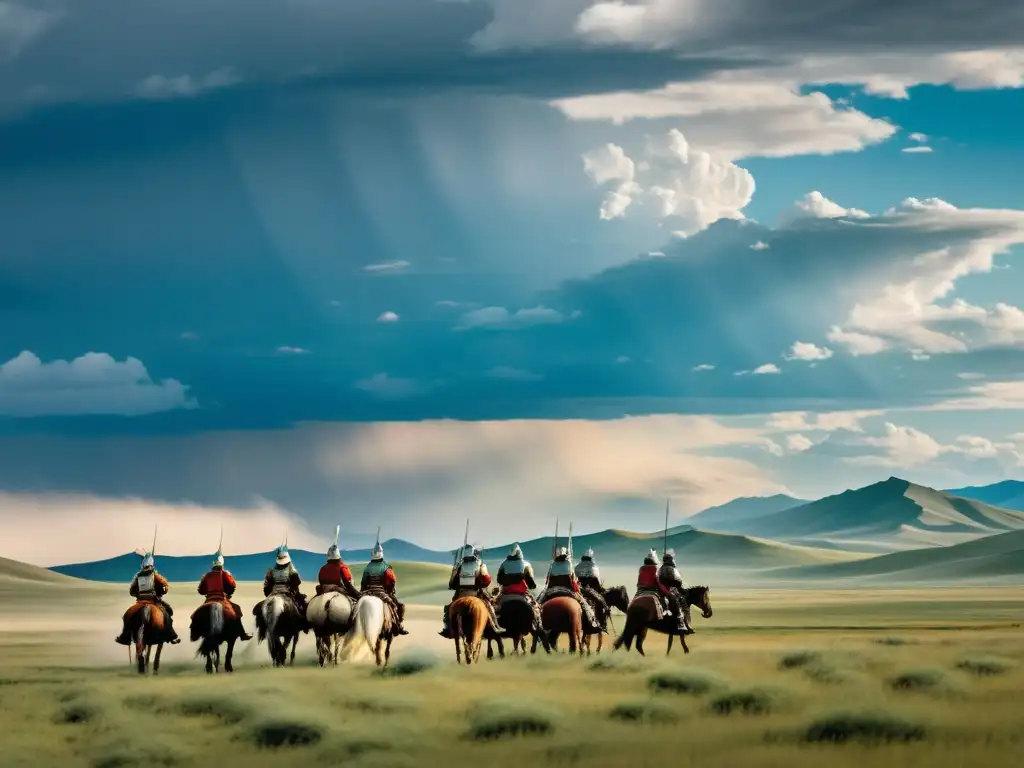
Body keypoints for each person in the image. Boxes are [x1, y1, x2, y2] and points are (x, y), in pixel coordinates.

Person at [115, 551, 181, 645]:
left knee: (127, 616)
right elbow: (164, 586)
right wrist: (162, 591)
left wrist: (138, 594)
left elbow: (132, 591)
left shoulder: (138, 576)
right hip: (153, 601)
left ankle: (125, 637)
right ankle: (171, 635)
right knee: (168, 613)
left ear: (143, 564)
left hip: (140, 602)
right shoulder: (155, 575)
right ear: (152, 564)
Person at [439, 545, 501, 638]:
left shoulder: (459, 566)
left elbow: (453, 581)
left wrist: (454, 585)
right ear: (474, 553)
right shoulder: (480, 564)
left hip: (461, 593)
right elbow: (486, 579)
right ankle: (495, 626)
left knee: (448, 609)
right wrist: (483, 583)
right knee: (489, 606)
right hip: (475, 593)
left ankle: (448, 628)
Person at [195, 550, 253, 641]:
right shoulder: (225, 574)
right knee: (236, 609)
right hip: (222, 598)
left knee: (198, 615)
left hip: (209, 599)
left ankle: (195, 634)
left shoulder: (206, 576)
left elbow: (200, 590)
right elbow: (232, 586)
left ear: (213, 564)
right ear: (222, 563)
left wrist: (207, 592)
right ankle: (242, 634)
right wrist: (228, 594)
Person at [540, 546, 598, 631]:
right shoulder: (569, 564)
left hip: (552, 590)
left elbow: (548, 580)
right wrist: (577, 589)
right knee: (584, 604)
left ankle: (537, 622)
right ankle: (592, 620)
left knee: (538, 604)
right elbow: (573, 580)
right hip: (567, 590)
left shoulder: (552, 564)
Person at [360, 542, 409, 635]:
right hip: (381, 593)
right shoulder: (386, 567)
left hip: (367, 592)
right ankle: (398, 626)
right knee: (397, 606)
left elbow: (363, 583)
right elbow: (393, 580)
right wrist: (390, 591)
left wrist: (362, 593)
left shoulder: (368, 567)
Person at [494, 543, 543, 634]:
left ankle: (494, 626)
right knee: (535, 608)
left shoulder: (503, 564)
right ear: (520, 552)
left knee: (494, 608)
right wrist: (532, 586)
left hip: (506, 594)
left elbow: (499, 580)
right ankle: (536, 625)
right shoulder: (525, 564)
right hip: (522, 595)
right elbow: (530, 582)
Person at [262, 545, 308, 616]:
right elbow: (297, 582)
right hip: (287, 592)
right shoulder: (291, 569)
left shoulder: (272, 571)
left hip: (273, 593)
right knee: (302, 606)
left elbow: (267, 586)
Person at [657, 549, 692, 634]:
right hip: (672, 588)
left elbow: (658, 579)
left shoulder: (660, 569)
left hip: (661, 590)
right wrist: (681, 588)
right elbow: (678, 580)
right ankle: (682, 623)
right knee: (682, 603)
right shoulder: (673, 569)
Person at [575, 546, 609, 630]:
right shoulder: (594, 567)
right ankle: (602, 624)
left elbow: (575, 578)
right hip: (588, 589)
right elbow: (598, 581)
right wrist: (601, 587)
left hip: (578, 589)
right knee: (602, 601)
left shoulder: (577, 566)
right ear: (591, 558)